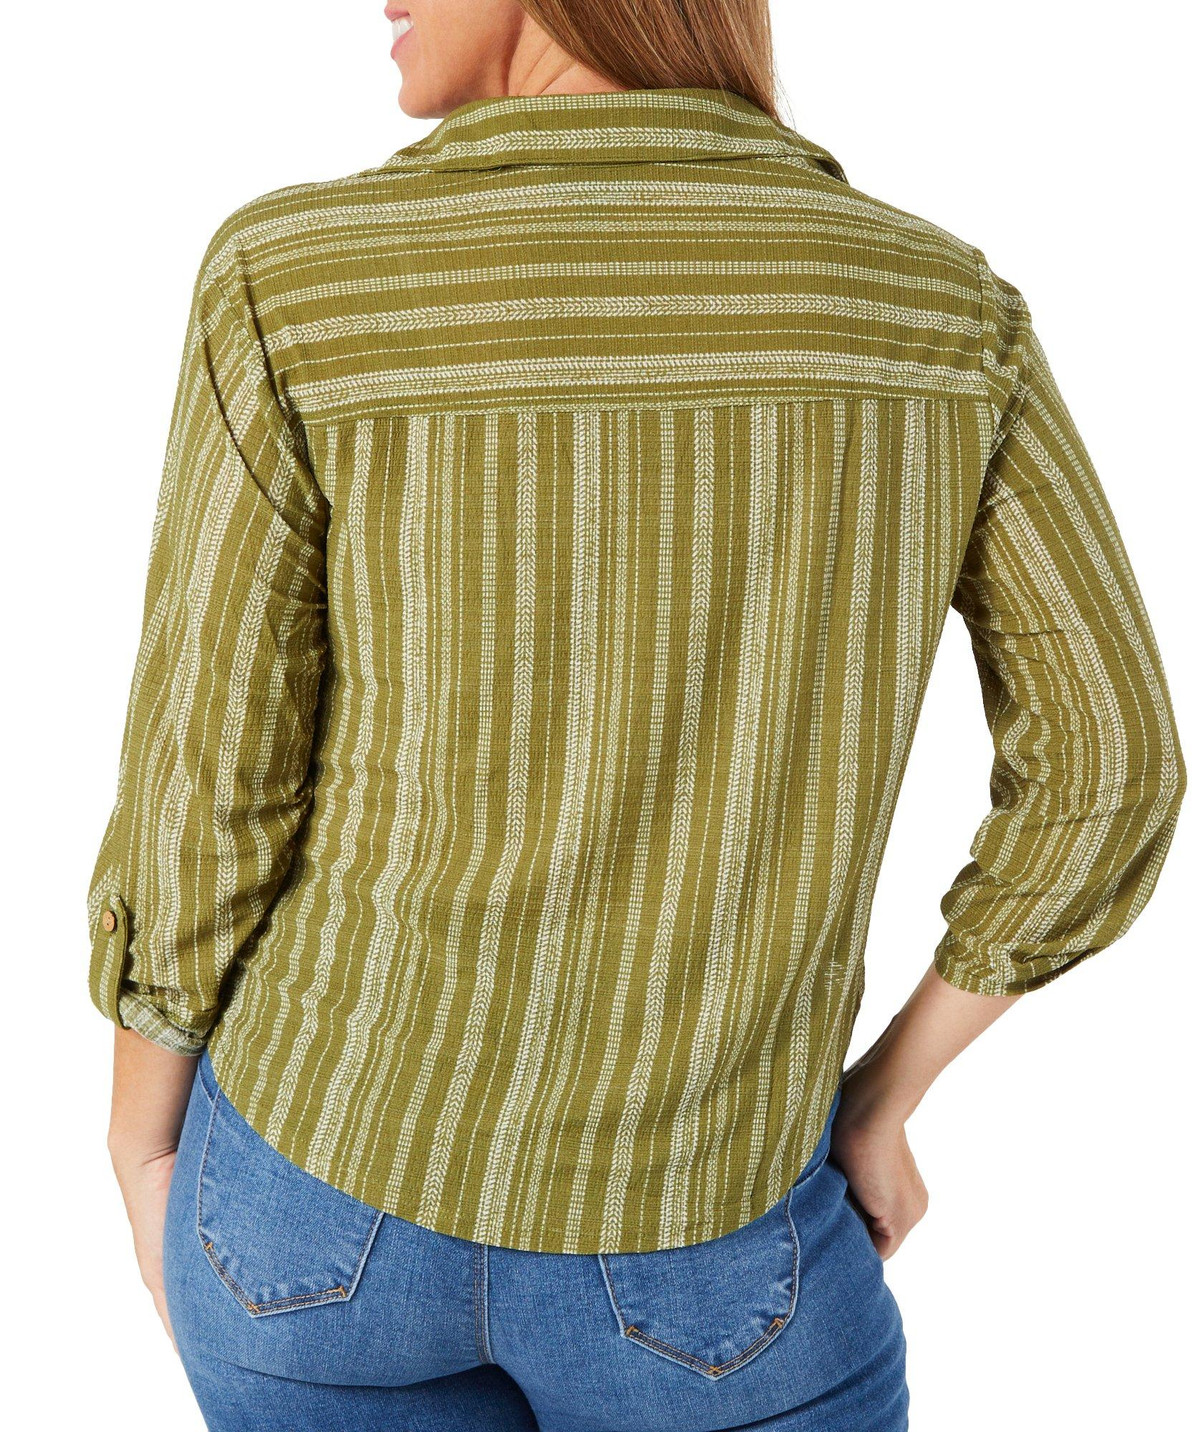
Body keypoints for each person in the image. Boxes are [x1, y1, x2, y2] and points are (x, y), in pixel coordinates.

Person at [89, 1, 1187, 1428]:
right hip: (716, 1247)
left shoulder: (296, 279)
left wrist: (140, 1146)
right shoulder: (937, 312)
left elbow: (208, 773)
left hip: (312, 1216)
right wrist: (879, 1100)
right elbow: (1112, 765)